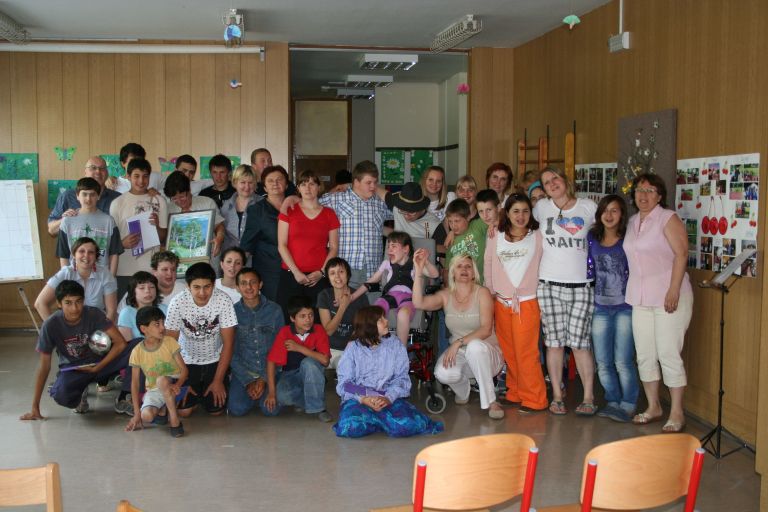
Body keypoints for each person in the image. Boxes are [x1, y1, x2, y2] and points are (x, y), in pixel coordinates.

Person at [624, 173, 693, 433]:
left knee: (668, 354)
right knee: (644, 354)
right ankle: (653, 406)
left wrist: (673, 289)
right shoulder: (633, 221)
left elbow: (681, 254)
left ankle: (677, 412)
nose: (643, 195)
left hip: (668, 297)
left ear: (660, 195)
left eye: (650, 190)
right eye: (639, 190)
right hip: (640, 297)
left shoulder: (667, 218)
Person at [533, 167, 598, 416]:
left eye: (555, 178)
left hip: (582, 286)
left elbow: (606, 232)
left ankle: (589, 396)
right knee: (554, 343)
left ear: (564, 180)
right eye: (546, 182)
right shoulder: (541, 208)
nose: (552, 184)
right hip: (549, 285)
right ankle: (557, 397)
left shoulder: (588, 207)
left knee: (580, 344)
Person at [20, 280, 136, 419]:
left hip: (102, 363)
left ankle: (125, 395)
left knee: (138, 347)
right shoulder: (50, 325)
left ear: (83, 301)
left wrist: (98, 367)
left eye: (78, 302)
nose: (74, 308)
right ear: (59, 304)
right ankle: (79, 393)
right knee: (61, 396)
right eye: (68, 303)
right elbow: (44, 366)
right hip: (75, 369)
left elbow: (120, 343)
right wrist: (35, 407)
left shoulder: (93, 314)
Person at [413, 252, 505, 419]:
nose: (464, 269)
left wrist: (458, 342)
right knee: (442, 373)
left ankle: (491, 401)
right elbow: (418, 303)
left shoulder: (482, 292)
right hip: (462, 354)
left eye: (468, 266)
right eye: (459, 266)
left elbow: (486, 330)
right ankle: (463, 392)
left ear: (474, 273)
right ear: (453, 272)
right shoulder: (445, 295)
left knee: (474, 347)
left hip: (488, 353)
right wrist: (419, 271)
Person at [333, 305, 444, 438]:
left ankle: (375, 420)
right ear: (369, 326)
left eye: (384, 318)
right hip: (359, 400)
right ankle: (381, 420)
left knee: (407, 425)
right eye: (381, 320)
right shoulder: (353, 348)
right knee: (350, 427)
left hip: (387, 397)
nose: (386, 321)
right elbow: (345, 384)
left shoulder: (395, 345)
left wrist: (388, 398)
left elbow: (401, 379)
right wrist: (363, 399)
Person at [484, 193, 548, 413]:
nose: (521, 216)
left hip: (527, 303)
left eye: (525, 211)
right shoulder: (496, 234)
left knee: (526, 352)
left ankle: (535, 398)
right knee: (509, 351)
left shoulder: (538, 235)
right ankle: (516, 392)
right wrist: (490, 291)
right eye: (516, 211)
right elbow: (488, 262)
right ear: (507, 213)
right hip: (501, 302)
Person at [587, 194, 639, 423]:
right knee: (602, 361)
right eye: (605, 210)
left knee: (623, 361)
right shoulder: (592, 237)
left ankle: (628, 403)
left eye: (614, 210)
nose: (609, 215)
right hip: (600, 307)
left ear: (622, 214)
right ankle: (613, 400)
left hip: (625, 308)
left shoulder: (629, 239)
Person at [165, 262, 238, 416]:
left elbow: (229, 344)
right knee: (184, 412)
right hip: (185, 362)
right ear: (188, 286)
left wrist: (218, 381)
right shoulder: (177, 303)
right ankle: (198, 394)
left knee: (216, 411)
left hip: (215, 360)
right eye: (196, 287)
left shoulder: (223, 300)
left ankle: (214, 385)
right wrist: (182, 380)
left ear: (214, 285)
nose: (202, 293)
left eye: (207, 287)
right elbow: (170, 345)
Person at [351, 231, 438, 345]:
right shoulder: (386, 263)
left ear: (405, 249)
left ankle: (401, 349)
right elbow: (371, 281)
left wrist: (425, 262)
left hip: (408, 298)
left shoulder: (415, 264)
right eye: (388, 247)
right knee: (374, 313)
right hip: (389, 296)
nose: (389, 250)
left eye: (393, 246)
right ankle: (373, 345)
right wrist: (352, 297)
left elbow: (435, 274)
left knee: (403, 314)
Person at [318, 160, 392, 289]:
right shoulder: (336, 198)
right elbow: (308, 204)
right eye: (368, 183)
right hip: (345, 269)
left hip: (374, 271)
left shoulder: (380, 202)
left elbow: (404, 210)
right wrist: (290, 199)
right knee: (345, 302)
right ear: (356, 182)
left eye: (375, 182)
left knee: (373, 303)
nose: (373, 186)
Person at [276, 170, 340, 314]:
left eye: (312, 184)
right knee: (289, 319)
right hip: (291, 274)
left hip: (318, 277)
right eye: (303, 184)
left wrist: (322, 272)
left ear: (319, 187)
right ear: (298, 188)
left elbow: (334, 248)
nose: (307, 188)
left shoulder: (329, 214)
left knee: (318, 320)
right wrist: (296, 272)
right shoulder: (288, 211)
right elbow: (282, 245)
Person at [265, 296, 333, 422]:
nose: (308, 320)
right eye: (302, 316)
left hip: (312, 372)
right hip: (290, 374)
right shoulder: (285, 332)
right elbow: (271, 361)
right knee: (282, 396)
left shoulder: (318, 330)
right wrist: (271, 393)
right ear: (292, 318)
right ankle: (308, 399)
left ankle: (319, 408)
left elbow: (325, 361)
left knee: (308, 363)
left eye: (311, 315)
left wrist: (299, 348)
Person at [227, 268, 285, 417]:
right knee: (237, 409)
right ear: (237, 287)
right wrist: (248, 381)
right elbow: (229, 351)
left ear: (260, 284)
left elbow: (281, 348)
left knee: (270, 411)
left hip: (270, 371)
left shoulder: (275, 310)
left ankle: (263, 393)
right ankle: (253, 393)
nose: (249, 287)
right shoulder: (231, 312)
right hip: (244, 372)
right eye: (243, 283)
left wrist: (264, 379)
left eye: (253, 282)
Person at [109, 157, 169, 300]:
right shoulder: (117, 203)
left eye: (145, 176)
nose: (141, 181)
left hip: (150, 270)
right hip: (124, 269)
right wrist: (122, 244)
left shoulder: (159, 201)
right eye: (136, 176)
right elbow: (110, 240)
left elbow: (163, 237)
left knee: (149, 311)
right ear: (128, 176)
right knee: (124, 311)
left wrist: (157, 225)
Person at [125, 306, 188, 437]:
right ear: (144, 329)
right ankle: (162, 410)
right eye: (157, 324)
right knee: (146, 416)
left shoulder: (169, 342)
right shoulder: (137, 351)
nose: (163, 327)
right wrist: (137, 414)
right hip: (155, 390)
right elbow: (135, 383)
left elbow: (184, 370)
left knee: (161, 380)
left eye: (163, 322)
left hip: (175, 385)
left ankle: (175, 421)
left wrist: (178, 384)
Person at [35, 237, 118, 322]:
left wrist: (104, 330)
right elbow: (40, 303)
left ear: (96, 256)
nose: (86, 255)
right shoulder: (65, 273)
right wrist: (54, 327)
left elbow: (111, 311)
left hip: (97, 324)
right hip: (70, 326)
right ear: (74, 255)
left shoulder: (105, 274)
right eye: (81, 251)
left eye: (91, 252)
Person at [240, 165, 290, 301]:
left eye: (279, 179)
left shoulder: (295, 208)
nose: (275, 183)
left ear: (286, 184)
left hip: (295, 271)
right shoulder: (257, 210)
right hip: (269, 273)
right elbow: (247, 244)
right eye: (270, 181)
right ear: (265, 187)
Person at [56, 177, 123, 275]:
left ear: (98, 196)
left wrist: (111, 278)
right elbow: (63, 254)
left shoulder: (109, 221)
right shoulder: (67, 221)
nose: (88, 198)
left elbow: (114, 254)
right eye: (84, 194)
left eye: (92, 194)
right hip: (75, 277)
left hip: (101, 278)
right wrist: (66, 279)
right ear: (77, 196)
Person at [47, 156, 121, 236]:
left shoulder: (118, 198)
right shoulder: (68, 196)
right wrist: (65, 220)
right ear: (85, 172)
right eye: (93, 168)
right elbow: (51, 230)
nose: (98, 171)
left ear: (107, 173)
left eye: (102, 168)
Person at [317, 257, 370, 369]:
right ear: (328, 277)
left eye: (341, 271)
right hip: (328, 350)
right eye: (332, 273)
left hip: (352, 350)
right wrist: (343, 306)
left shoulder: (361, 297)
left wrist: (349, 352)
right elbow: (328, 331)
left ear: (348, 274)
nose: (337, 276)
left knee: (346, 367)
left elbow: (362, 329)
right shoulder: (324, 295)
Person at [164, 170, 225, 258]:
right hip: (178, 258)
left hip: (208, 256)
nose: (179, 201)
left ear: (189, 190)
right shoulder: (168, 209)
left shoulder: (207, 203)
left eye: (182, 196)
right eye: (174, 198)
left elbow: (219, 226)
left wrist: (219, 238)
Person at [443, 199, 488, 284]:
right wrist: (448, 288)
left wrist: (492, 225)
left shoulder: (477, 226)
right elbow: (446, 270)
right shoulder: (450, 241)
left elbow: (497, 214)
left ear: (468, 217)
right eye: (450, 221)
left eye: (457, 221)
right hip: (459, 287)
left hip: (479, 284)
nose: (453, 226)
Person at [219, 164, 260, 253]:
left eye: (250, 182)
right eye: (243, 182)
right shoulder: (226, 206)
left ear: (255, 183)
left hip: (255, 258)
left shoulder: (262, 204)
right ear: (235, 183)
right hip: (230, 258)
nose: (247, 187)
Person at [117, 271, 168, 340]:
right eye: (142, 288)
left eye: (152, 287)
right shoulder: (127, 313)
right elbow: (127, 343)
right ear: (133, 291)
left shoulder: (165, 309)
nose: (148, 291)